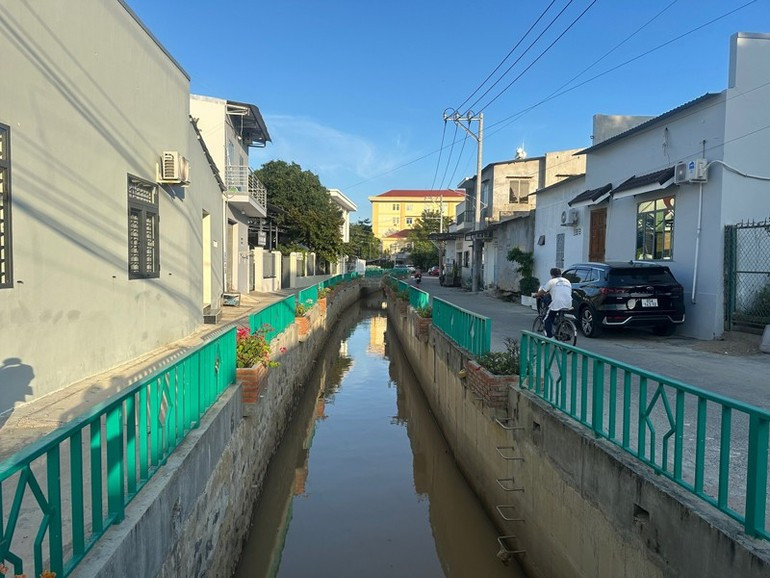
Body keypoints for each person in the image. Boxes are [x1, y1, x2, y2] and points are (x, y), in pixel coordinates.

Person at [536, 268, 573, 338]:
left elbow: (543, 291)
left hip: (557, 303)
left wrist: (536, 295)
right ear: (560, 274)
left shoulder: (552, 281)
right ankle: (561, 329)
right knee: (557, 314)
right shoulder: (567, 281)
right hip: (568, 303)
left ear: (552, 275)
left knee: (547, 319)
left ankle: (549, 337)